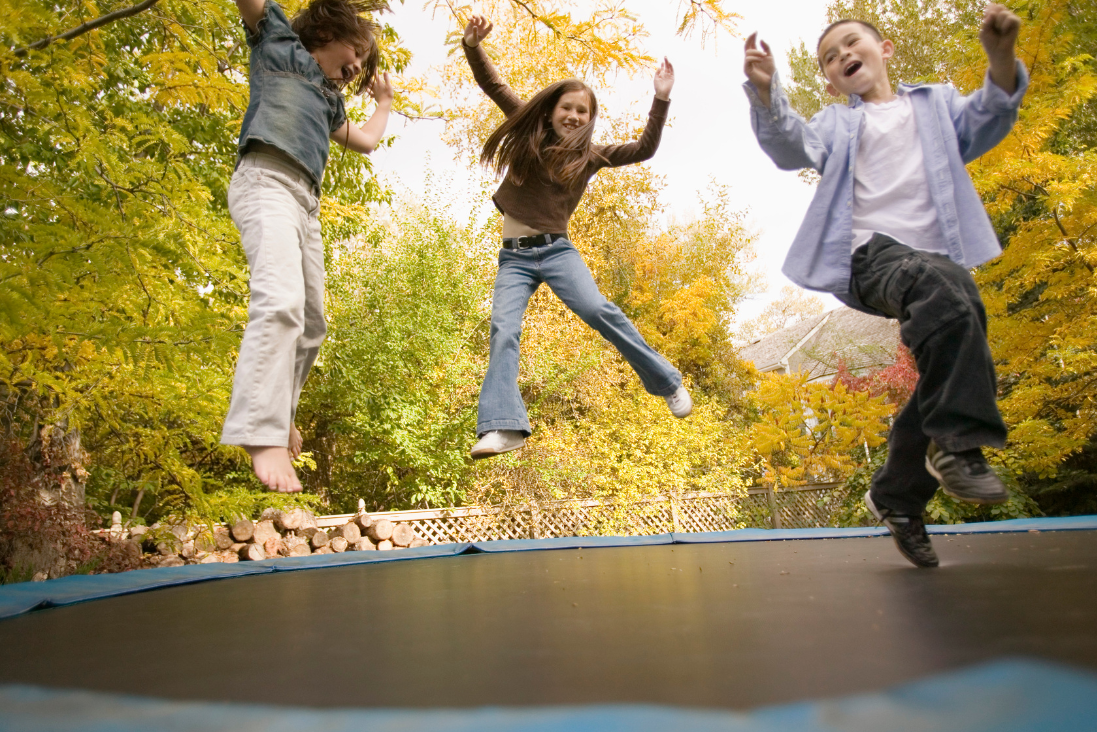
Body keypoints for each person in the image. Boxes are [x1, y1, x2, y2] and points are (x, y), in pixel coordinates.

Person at [742, 5, 1027, 567]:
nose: (843, 56)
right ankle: (958, 446)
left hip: (936, 263)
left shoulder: (937, 105)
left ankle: (897, 495)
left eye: (852, 44)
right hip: (870, 257)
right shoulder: (838, 124)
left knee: (953, 344)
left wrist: (999, 56)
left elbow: (990, 115)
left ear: (885, 48)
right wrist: (765, 91)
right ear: (828, 79)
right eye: (830, 57)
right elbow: (788, 143)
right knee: (944, 290)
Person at [461, 14, 692, 460]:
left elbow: (644, 149)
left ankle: (666, 381)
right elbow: (495, 86)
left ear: (589, 119)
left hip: (557, 252)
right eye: (566, 107)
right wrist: (472, 46)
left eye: (582, 111)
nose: (573, 115)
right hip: (514, 257)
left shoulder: (592, 156)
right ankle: (503, 426)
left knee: (599, 311)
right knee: (502, 329)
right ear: (551, 110)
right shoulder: (528, 128)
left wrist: (660, 99)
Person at [221, 0, 393, 492]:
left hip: (305, 203)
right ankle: (262, 431)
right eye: (355, 51)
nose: (358, 65)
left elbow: (363, 141)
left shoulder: (329, 98)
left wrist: (383, 104)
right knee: (280, 302)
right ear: (325, 31)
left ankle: (281, 414)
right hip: (265, 180)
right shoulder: (280, 47)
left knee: (312, 322)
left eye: (363, 60)